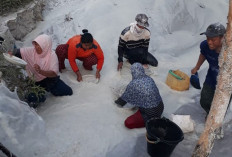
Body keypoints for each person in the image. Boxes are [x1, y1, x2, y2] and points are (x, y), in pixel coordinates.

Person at [10, 34, 73, 105]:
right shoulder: (31, 51)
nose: (36, 47)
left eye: (38, 45)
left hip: (50, 80)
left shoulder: (52, 55)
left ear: (45, 45)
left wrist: (41, 71)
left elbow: (54, 73)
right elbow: (19, 52)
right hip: (36, 82)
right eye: (35, 45)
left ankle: (52, 89)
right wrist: (12, 53)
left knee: (68, 92)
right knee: (33, 100)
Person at [115, 63, 164, 129]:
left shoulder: (133, 84)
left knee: (128, 123)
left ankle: (150, 122)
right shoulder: (149, 79)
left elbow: (123, 100)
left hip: (150, 114)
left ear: (133, 72)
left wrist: (116, 102)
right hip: (160, 108)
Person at [191, 23, 226, 115]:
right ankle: (210, 114)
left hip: (227, 83)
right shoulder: (205, 46)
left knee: (222, 106)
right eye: (208, 38)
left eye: (213, 39)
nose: (209, 42)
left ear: (222, 38)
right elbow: (203, 54)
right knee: (205, 101)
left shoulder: (228, 52)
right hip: (212, 77)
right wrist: (197, 67)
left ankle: (217, 120)